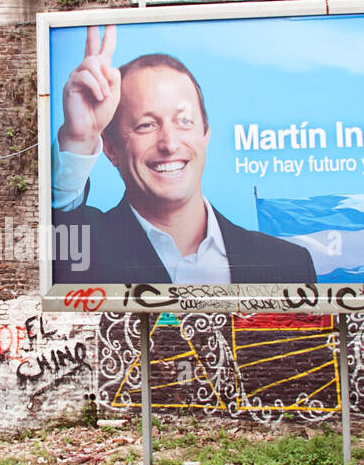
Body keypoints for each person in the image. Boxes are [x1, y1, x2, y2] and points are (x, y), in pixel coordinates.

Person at [52, 25, 317, 285]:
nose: (169, 143)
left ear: (205, 136)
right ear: (111, 150)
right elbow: (47, 241)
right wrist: (79, 138)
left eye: (184, 121)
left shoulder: (288, 264)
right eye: (146, 125)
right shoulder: (83, 251)